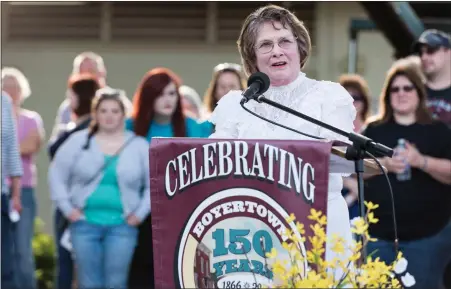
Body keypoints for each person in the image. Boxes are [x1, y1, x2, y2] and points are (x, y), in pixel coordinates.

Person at [209, 4, 356, 274]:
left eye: (284, 41)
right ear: (252, 57)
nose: (276, 50)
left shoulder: (329, 96)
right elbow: (215, 163)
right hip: (253, 232)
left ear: (299, 48)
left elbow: (343, 162)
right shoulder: (235, 104)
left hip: (320, 223)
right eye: (265, 45)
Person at [48, 88, 150, 289]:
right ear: (95, 114)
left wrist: (140, 213)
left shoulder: (138, 145)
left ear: (123, 114)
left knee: (116, 282)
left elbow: (153, 184)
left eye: (114, 111)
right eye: (103, 111)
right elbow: (56, 174)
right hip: (84, 224)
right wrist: (68, 209)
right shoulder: (79, 141)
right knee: (88, 282)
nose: (109, 116)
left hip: (123, 225)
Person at [363, 61, 451, 289]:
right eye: (395, 89)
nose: (401, 93)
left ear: (419, 93)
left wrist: (420, 161)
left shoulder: (437, 130)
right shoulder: (373, 131)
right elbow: (355, 170)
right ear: (388, 95)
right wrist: (385, 164)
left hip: (427, 239)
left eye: (407, 88)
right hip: (378, 237)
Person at [126, 67, 209, 289]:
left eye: (172, 94)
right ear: (148, 97)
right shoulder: (130, 126)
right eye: (161, 94)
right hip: (140, 214)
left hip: (183, 213)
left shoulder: (192, 126)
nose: (167, 100)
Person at [47, 73, 100, 289]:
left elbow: (54, 152)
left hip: (77, 208)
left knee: (70, 267)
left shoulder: (79, 133)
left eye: (71, 97)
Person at [2, 67, 45, 289]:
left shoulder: (31, 119)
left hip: (23, 191)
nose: (10, 91)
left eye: (14, 86)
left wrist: (6, 149)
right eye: (5, 86)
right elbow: (20, 148)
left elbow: (32, 145)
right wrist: (13, 149)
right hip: (2, 189)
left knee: (22, 250)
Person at [337, 74, 372, 220]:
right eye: (346, 96)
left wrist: (353, 195)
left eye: (356, 97)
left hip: (368, 203)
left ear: (364, 101)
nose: (352, 102)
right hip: (337, 198)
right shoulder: (331, 132)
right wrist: (347, 183)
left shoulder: (373, 130)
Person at [1, 92, 23, 289]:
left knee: (4, 264)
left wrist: (15, 194)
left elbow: (11, 149)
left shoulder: (4, 101)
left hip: (1, 193)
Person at [413, 29, 451, 126]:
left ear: (448, 52)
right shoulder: (411, 91)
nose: (424, 57)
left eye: (431, 50)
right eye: (421, 53)